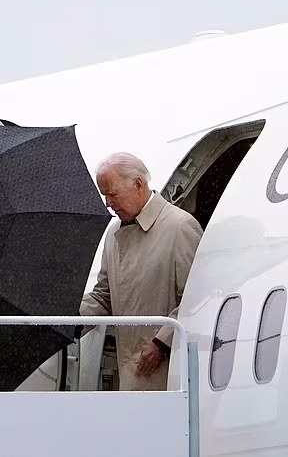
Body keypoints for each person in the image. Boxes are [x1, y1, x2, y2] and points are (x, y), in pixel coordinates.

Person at [79, 152, 203, 391]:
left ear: (138, 184)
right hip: (128, 371)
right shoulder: (114, 234)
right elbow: (104, 296)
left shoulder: (180, 227)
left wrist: (162, 343)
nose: (107, 203)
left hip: (164, 369)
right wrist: (68, 318)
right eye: (104, 195)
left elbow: (195, 300)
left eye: (112, 194)